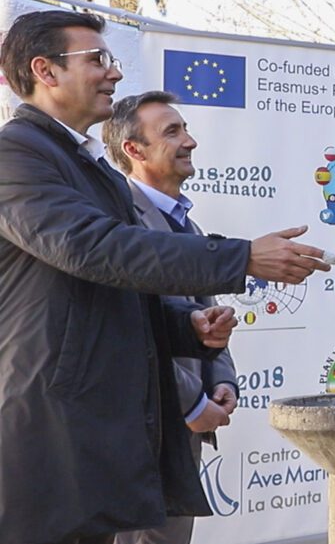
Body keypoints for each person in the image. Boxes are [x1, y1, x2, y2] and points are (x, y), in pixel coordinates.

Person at [0, 10, 331, 544]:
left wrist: (187, 330)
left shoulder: (86, 166)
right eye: (98, 60)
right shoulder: (15, 153)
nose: (113, 73)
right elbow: (95, 249)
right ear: (46, 70)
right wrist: (241, 257)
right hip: (46, 427)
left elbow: (111, 292)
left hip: (93, 422)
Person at [101, 91, 238, 544]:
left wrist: (222, 382)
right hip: (148, 426)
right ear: (133, 151)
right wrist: (191, 405)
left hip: (187, 427)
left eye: (186, 129)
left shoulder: (189, 226)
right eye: (172, 132)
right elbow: (135, 329)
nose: (190, 142)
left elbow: (208, 314)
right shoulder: (120, 224)